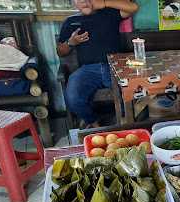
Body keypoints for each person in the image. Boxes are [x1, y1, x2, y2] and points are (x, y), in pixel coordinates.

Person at [57, 0, 138, 128]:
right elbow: (60, 52)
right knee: (72, 97)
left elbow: (133, 7)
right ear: (74, 3)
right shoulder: (70, 21)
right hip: (87, 71)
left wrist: (104, 3)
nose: (84, 1)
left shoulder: (110, 13)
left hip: (114, 67)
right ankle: (94, 123)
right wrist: (70, 43)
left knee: (131, 92)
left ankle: (124, 124)